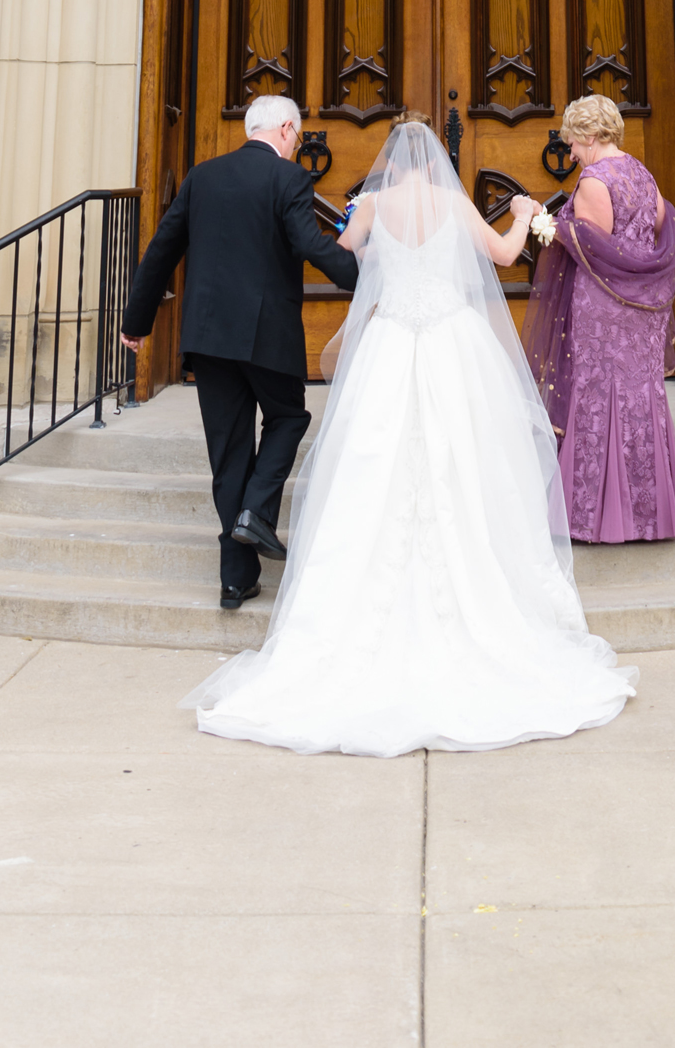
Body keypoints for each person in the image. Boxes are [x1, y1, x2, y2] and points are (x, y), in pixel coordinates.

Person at [185, 115, 634, 755]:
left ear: (391, 160)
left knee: (373, 465)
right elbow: (506, 256)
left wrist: (371, 249)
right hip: (455, 344)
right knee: (468, 464)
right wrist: (523, 215)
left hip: (392, 344)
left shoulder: (369, 206)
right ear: (435, 164)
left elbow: (349, 263)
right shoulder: (454, 204)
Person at [119, 92, 358, 613]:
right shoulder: (288, 179)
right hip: (267, 335)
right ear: (288, 129)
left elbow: (161, 248)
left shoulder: (201, 176)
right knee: (289, 418)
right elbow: (309, 246)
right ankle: (255, 511)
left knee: (228, 454)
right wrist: (366, 277)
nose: (296, 145)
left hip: (208, 338)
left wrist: (136, 323)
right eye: (296, 136)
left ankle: (234, 580)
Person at [521, 94, 675, 545]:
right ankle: (648, 513)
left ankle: (592, 516)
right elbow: (657, 229)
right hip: (642, 312)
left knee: (598, 396)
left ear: (591, 135)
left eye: (573, 142)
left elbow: (594, 251)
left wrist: (545, 223)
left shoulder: (595, 181)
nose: (572, 152)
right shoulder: (644, 174)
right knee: (642, 397)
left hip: (604, 309)